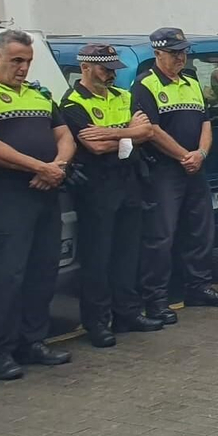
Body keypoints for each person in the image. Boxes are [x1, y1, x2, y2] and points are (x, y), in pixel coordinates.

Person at [59, 44, 161, 349]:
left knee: (127, 253)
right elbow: (94, 147)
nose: (112, 75)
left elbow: (147, 133)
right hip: (97, 188)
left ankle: (127, 313)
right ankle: (98, 322)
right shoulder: (73, 102)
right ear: (86, 67)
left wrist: (112, 133)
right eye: (105, 69)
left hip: (128, 182)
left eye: (114, 69)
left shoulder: (123, 96)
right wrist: (128, 133)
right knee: (98, 258)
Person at [0, 29, 77, 381]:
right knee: (7, 275)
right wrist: (38, 166)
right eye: (16, 61)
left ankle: (33, 341)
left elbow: (65, 136)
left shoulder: (40, 95)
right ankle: (0, 350)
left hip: (46, 192)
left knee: (42, 270)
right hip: (8, 194)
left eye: (27, 61)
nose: (23, 68)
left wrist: (57, 167)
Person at [132, 27, 218, 321]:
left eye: (183, 52)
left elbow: (205, 122)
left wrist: (200, 154)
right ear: (158, 53)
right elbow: (150, 130)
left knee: (201, 231)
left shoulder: (190, 81)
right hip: (165, 169)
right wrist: (182, 156)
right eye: (174, 53)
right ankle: (156, 300)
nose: (180, 58)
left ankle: (198, 287)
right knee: (161, 237)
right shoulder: (145, 85)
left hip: (195, 166)